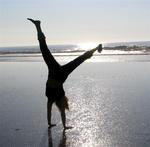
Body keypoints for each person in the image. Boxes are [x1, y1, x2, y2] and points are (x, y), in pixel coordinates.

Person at [27, 18, 102, 129]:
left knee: (47, 51)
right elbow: (58, 112)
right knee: (77, 60)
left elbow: (50, 111)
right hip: (58, 74)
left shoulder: (52, 97)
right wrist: (63, 126)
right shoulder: (58, 96)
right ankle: (96, 47)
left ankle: (38, 26)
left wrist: (50, 124)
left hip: (56, 73)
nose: (64, 104)